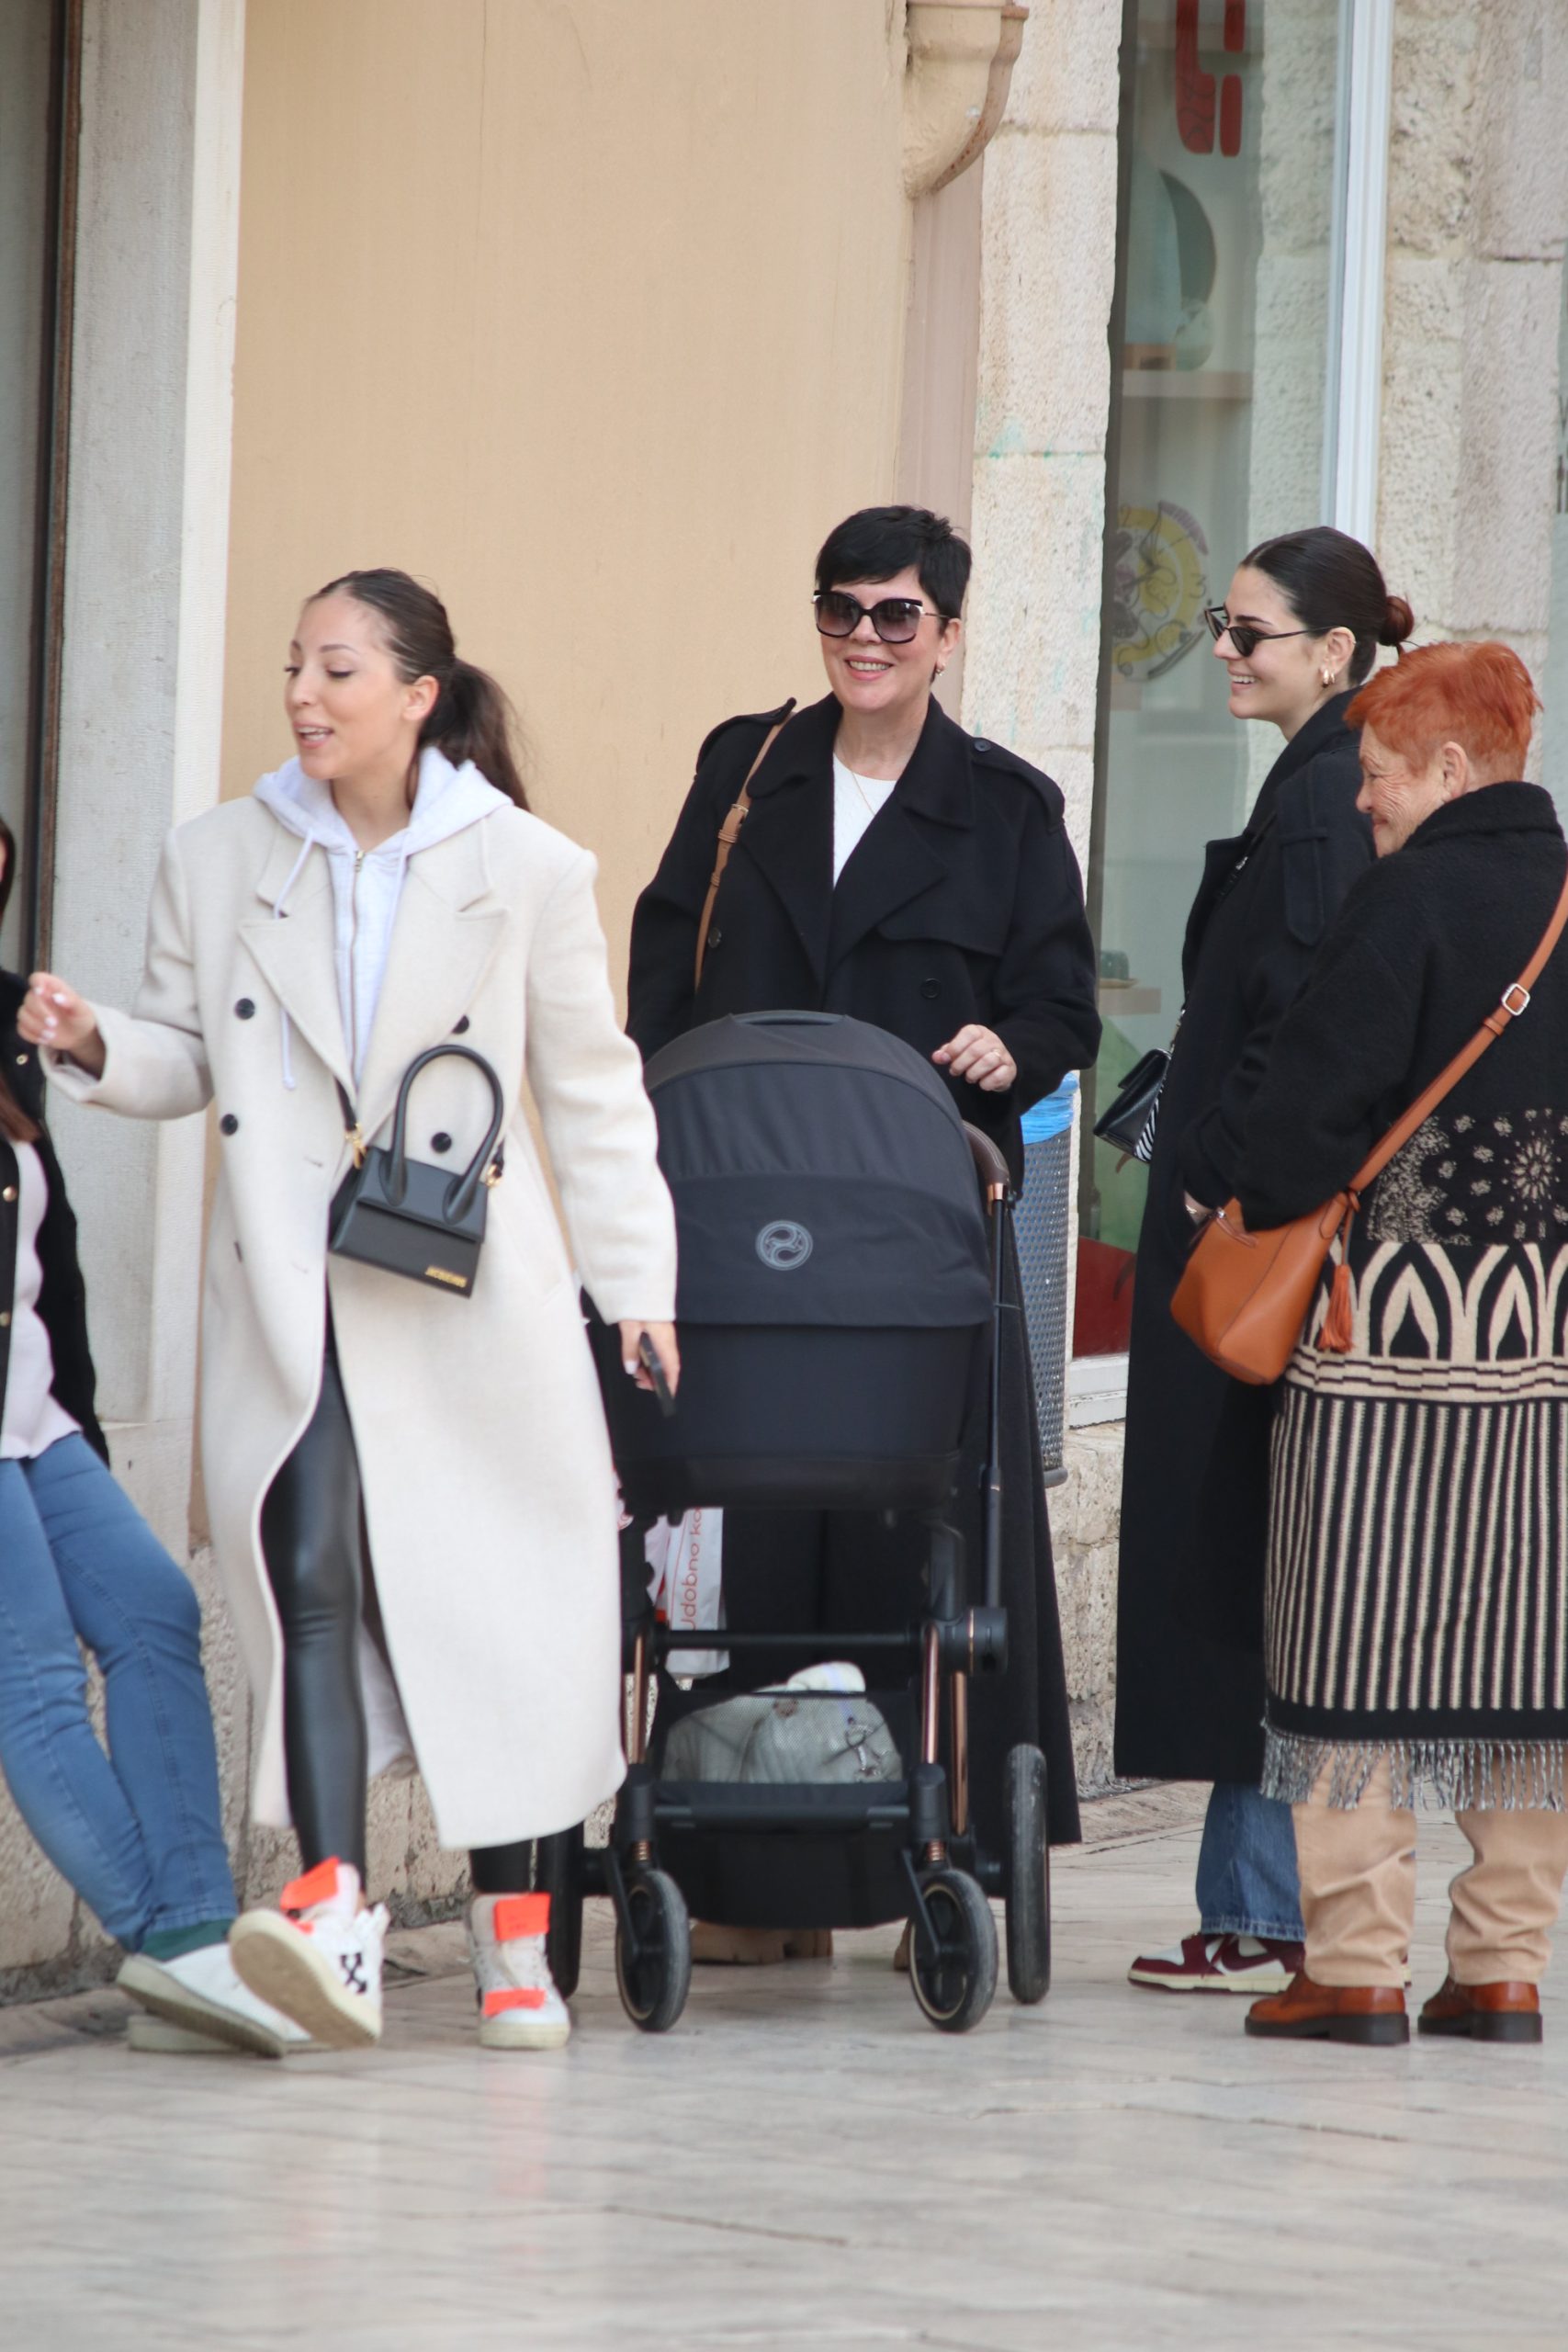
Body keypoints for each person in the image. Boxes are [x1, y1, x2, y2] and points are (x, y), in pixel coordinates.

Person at [21, 570, 677, 2053]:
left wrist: (637, 1280)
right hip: (294, 1286)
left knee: (503, 1607)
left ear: (418, 695)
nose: (304, 697)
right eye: (293, 669)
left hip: (467, 1291)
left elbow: (591, 1087)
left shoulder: (527, 867)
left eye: (337, 670)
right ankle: (335, 1915)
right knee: (305, 1569)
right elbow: (189, 1053)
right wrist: (95, 1041)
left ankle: (516, 1947)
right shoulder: (219, 855)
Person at [627, 504, 1100, 1944]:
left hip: (915, 1236)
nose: (864, 638)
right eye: (840, 609)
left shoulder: (1009, 809)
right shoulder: (745, 768)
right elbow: (661, 969)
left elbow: (1061, 1009)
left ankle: (924, 1858)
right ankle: (746, 1880)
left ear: (947, 635)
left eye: (897, 615)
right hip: (744, 1223)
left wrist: (1010, 1051)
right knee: (747, 1535)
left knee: (921, 1540)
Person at [1235, 642, 1568, 2046]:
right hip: (1548, 1355)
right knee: (1527, 1658)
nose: (1362, 799)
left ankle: (1360, 1965)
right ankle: (1502, 1969)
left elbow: (1301, 1124)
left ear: (1448, 768)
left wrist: (1241, 1178)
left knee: (1352, 1636)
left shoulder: (1406, 901)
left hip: (1380, 1339)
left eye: (1377, 775)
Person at [1116, 526, 1413, 1996]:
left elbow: (1300, 1013)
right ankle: (1262, 1904)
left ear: (1333, 652)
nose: (1224, 653)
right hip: (1273, 1224)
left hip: (1257, 1237)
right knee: (1262, 1547)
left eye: (1249, 633)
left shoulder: (1316, 801)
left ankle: (1263, 1907)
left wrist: (1220, 1172)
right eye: (1222, 629)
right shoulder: (1321, 781)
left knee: (1253, 1545)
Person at [0, 817, 309, 2058]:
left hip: (36, 1414)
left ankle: (193, 1932)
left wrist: (72, 1412)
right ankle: (178, 1949)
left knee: (153, 1611)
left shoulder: (11, 1026)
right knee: (31, 1678)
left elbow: (47, 1258)